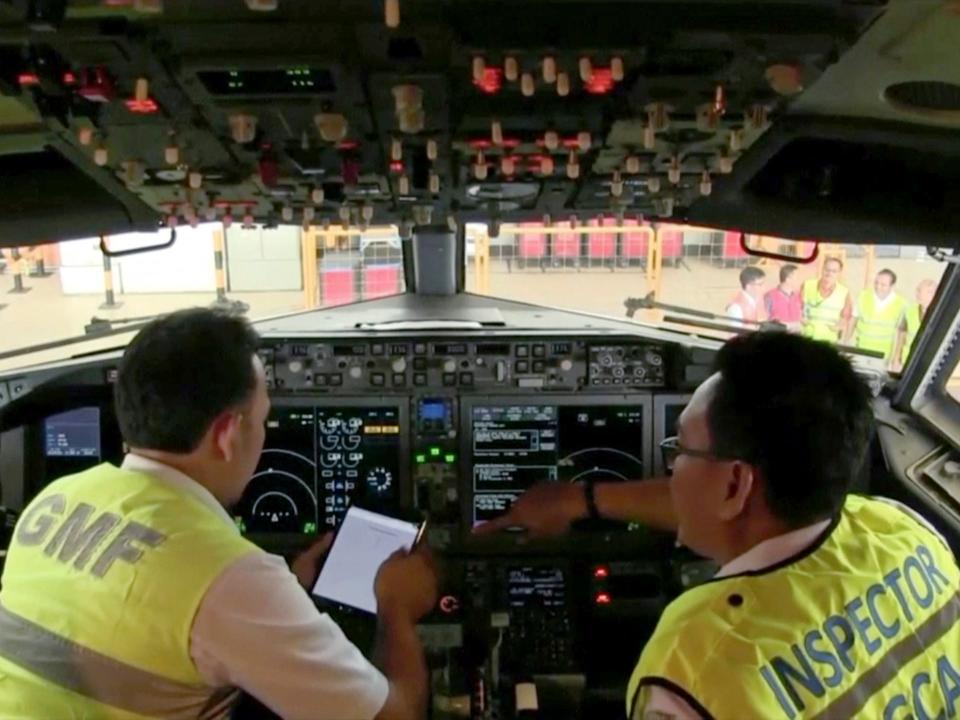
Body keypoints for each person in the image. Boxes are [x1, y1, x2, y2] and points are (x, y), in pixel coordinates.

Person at [476, 332, 960, 720]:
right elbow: (734, 507)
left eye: (680, 451)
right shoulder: (901, 529)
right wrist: (582, 499)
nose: (671, 471)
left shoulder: (698, 666)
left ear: (734, 484)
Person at [0, 308, 437, 720]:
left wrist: (286, 594)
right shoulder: (227, 579)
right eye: (262, 420)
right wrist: (395, 607)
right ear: (227, 434)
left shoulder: (55, 498)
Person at [848, 269, 906, 363]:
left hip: (883, 354)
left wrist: (896, 357)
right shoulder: (863, 296)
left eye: (883, 285)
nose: (878, 287)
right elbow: (853, 319)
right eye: (876, 283)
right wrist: (846, 341)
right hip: (861, 350)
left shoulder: (901, 304)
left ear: (892, 286)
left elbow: (901, 333)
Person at [801, 257, 852, 342]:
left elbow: (846, 317)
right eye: (827, 269)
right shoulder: (807, 285)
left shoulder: (844, 292)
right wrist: (800, 318)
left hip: (829, 341)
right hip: (807, 338)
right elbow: (795, 306)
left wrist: (839, 326)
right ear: (822, 269)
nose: (829, 273)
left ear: (839, 273)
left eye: (834, 271)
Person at [896, 277, 938, 370]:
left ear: (931, 293)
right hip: (907, 361)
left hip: (928, 363)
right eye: (917, 290)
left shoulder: (941, 313)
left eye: (920, 291)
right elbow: (901, 336)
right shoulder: (909, 310)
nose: (917, 294)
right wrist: (896, 359)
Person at [763, 264, 803, 329]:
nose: (799, 279)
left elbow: (802, 317)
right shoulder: (769, 296)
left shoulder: (799, 296)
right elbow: (765, 321)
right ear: (788, 279)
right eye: (797, 277)